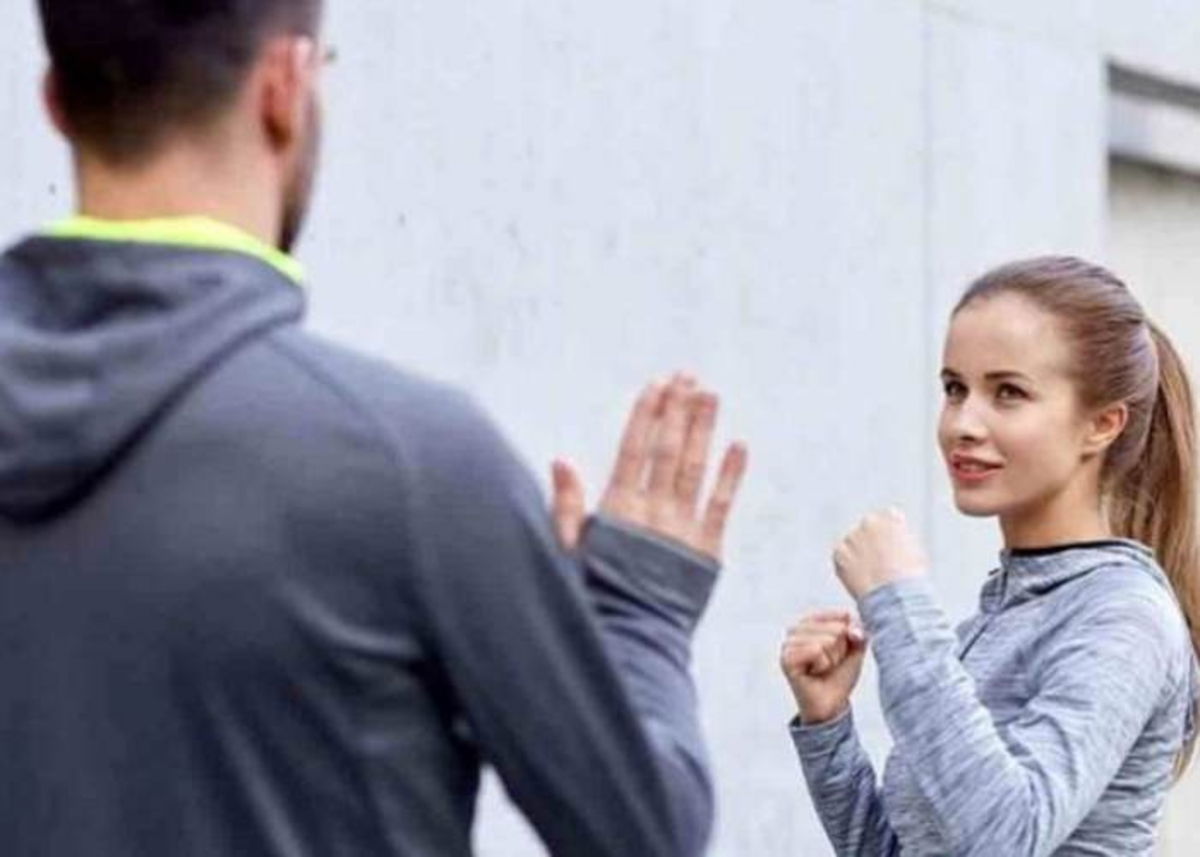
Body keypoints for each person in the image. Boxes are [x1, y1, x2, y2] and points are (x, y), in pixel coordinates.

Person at [0, 2, 748, 855]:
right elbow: (641, 835)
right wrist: (637, 607)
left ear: (56, 99)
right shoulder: (408, 464)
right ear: (285, 85)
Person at [781, 257, 1200, 855]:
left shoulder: (1122, 615)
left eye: (1008, 393)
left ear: (1102, 425)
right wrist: (829, 726)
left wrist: (896, 604)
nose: (962, 424)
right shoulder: (993, 623)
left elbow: (1009, 838)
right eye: (955, 389)